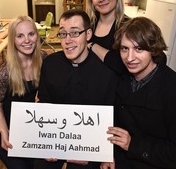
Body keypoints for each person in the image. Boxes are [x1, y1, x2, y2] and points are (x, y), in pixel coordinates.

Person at [101, 17, 176, 169]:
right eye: (125, 49)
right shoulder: (121, 79)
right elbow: (114, 125)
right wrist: (108, 154)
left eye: (139, 49)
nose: (130, 58)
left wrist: (133, 145)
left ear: (153, 49)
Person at [34, 9, 118, 169]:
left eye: (74, 33)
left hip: (89, 144)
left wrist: (96, 154)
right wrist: (44, 144)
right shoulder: (50, 64)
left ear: (88, 35)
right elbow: (44, 102)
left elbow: (109, 116)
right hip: (55, 139)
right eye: (63, 34)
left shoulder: (106, 72)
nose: (67, 40)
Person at [0, 16, 47, 169]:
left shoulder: (44, 59)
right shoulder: (4, 73)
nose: (27, 40)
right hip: (6, 122)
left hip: (28, 122)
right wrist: (4, 132)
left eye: (31, 34)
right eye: (20, 36)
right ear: (13, 40)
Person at [86, 0, 129, 73]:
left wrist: (93, 46)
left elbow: (124, 66)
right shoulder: (89, 24)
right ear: (92, 0)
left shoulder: (129, 26)